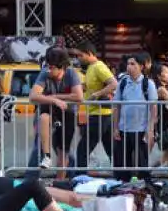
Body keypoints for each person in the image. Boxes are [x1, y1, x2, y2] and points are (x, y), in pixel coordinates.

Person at [28, 47, 83, 178]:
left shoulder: (71, 74)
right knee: (39, 145)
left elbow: (79, 97)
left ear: (62, 67)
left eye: (52, 67)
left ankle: (61, 181)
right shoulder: (44, 73)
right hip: (49, 111)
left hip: (67, 114)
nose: (48, 70)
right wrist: (54, 100)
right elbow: (33, 96)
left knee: (63, 151)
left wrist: (55, 96)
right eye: (47, 66)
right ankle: (30, 178)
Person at [112, 53, 157, 182]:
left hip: (140, 129)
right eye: (128, 64)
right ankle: (120, 187)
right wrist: (115, 128)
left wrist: (150, 130)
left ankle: (144, 189)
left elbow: (153, 108)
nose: (129, 67)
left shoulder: (148, 84)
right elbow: (117, 106)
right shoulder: (123, 82)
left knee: (141, 163)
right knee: (121, 163)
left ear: (141, 67)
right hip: (123, 129)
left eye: (133, 64)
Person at [75, 42, 116, 175]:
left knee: (82, 149)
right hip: (101, 114)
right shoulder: (91, 68)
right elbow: (90, 87)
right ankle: (122, 176)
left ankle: (79, 178)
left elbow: (113, 83)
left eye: (80, 55)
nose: (78, 58)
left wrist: (96, 94)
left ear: (89, 53)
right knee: (111, 149)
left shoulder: (99, 66)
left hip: (99, 115)